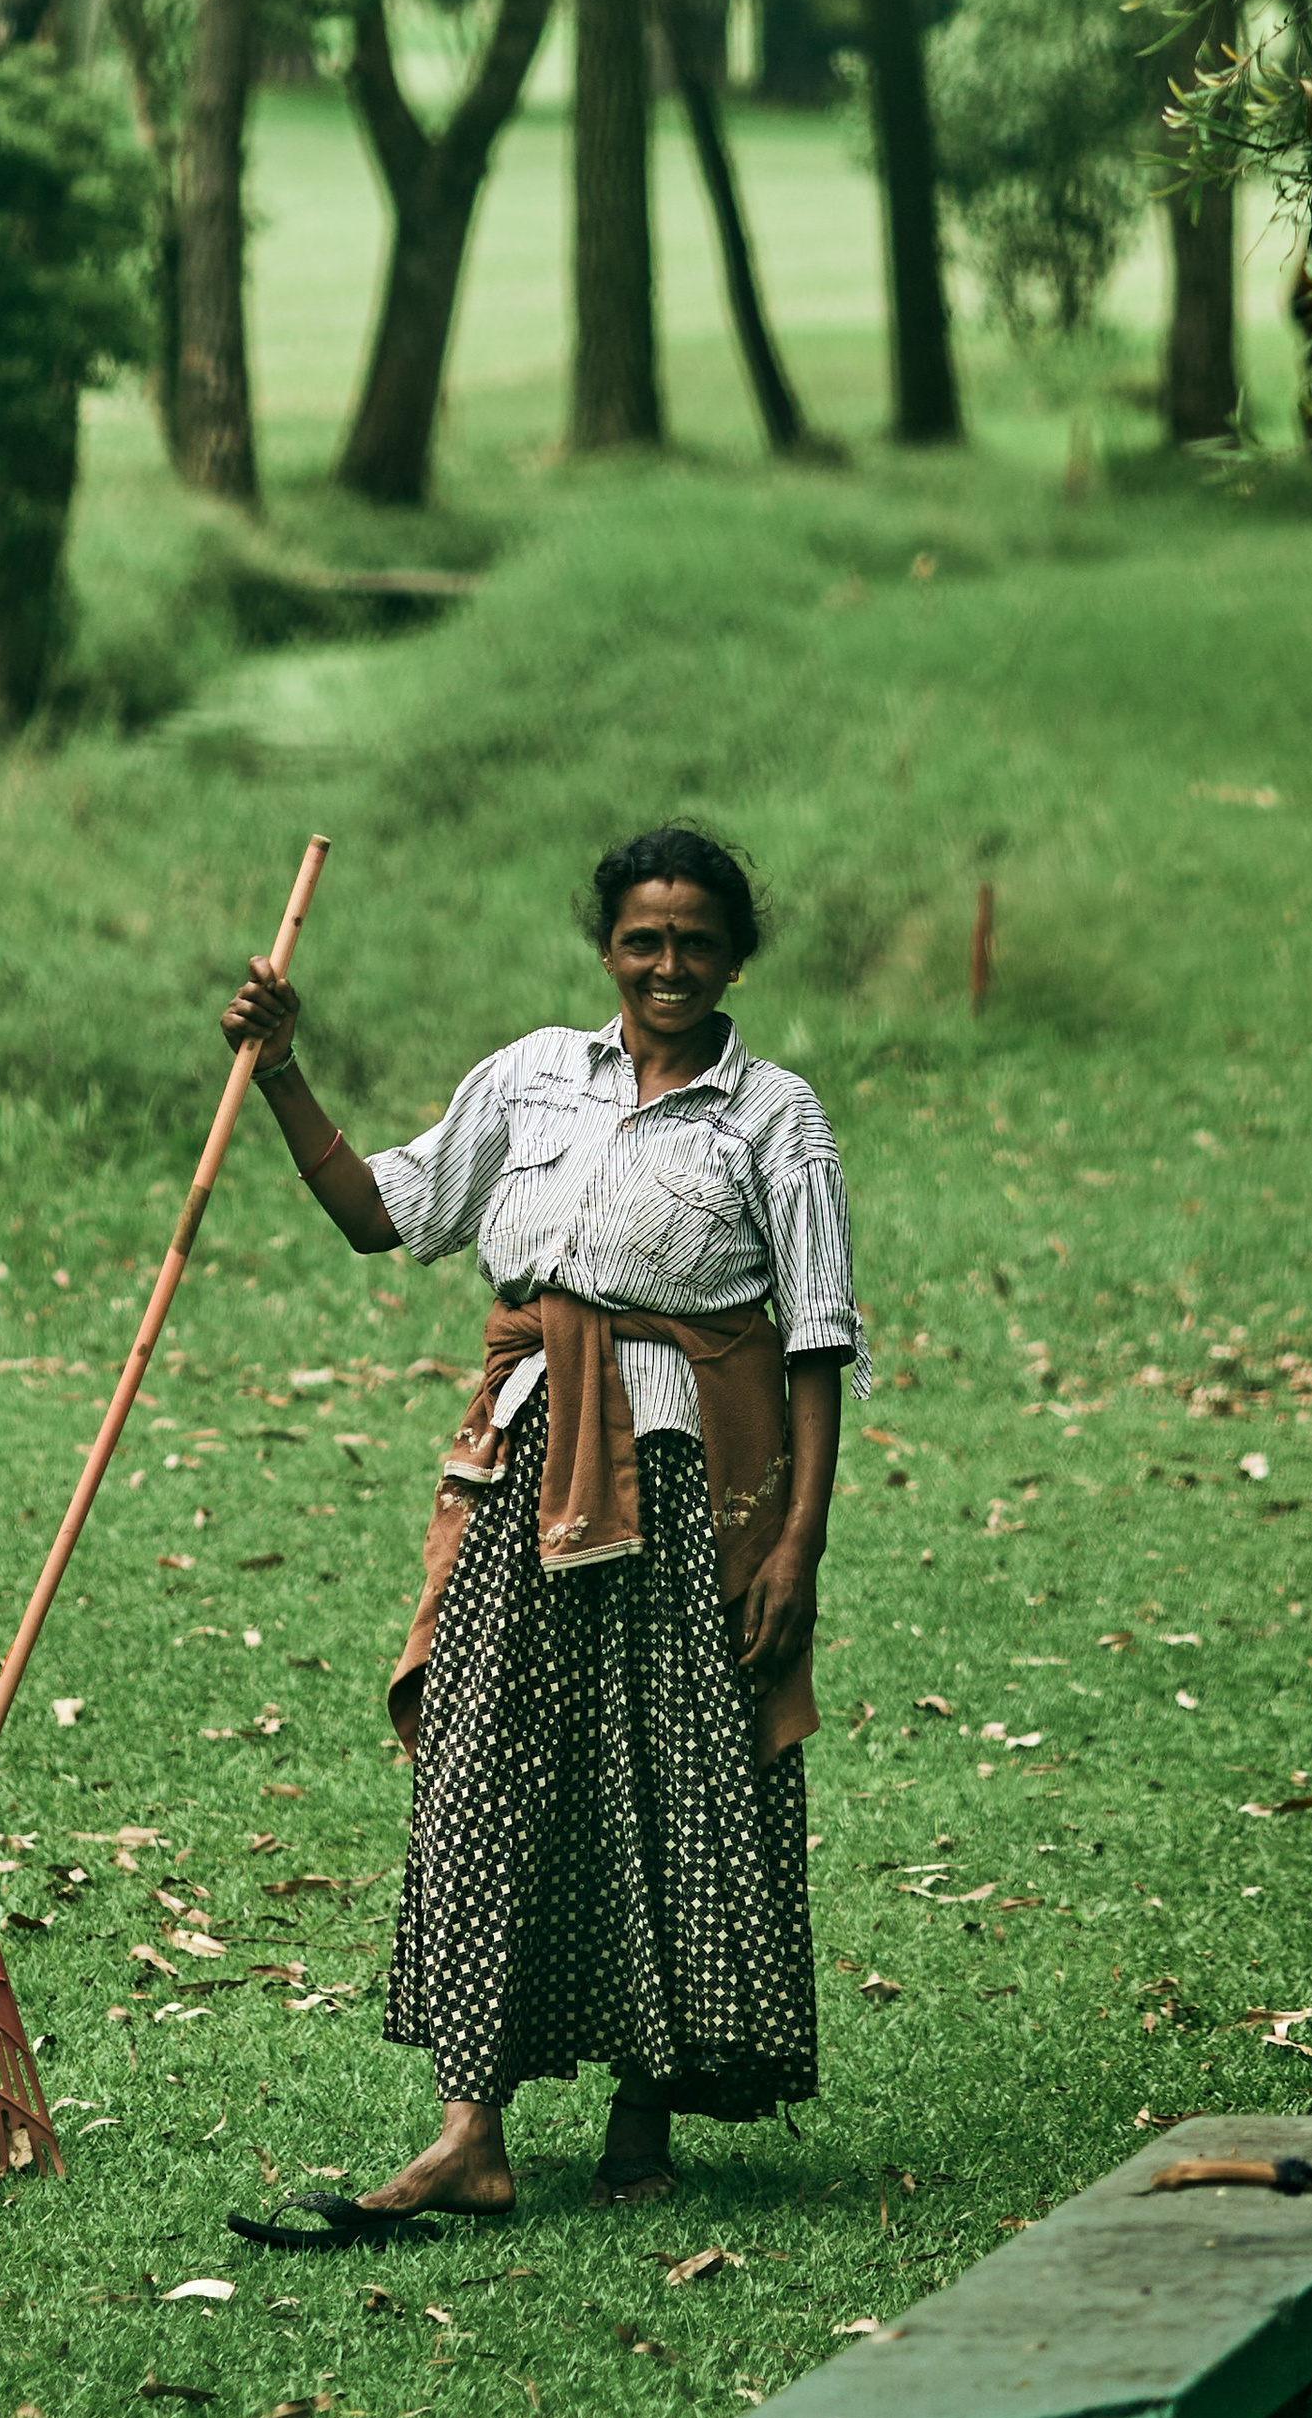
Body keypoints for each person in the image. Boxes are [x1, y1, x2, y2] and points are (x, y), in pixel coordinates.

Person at [220, 823, 862, 2219]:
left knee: (675, 1776)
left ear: (735, 954)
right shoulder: (531, 1079)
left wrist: (801, 1543)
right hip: (525, 1475)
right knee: (488, 1766)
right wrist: (278, 1072)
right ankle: (472, 2131)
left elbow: (814, 1343)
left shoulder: (774, 1115)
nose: (669, 964)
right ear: (608, 949)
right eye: (645, 939)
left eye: (696, 941)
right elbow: (381, 1214)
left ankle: (647, 2113)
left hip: (693, 1496)